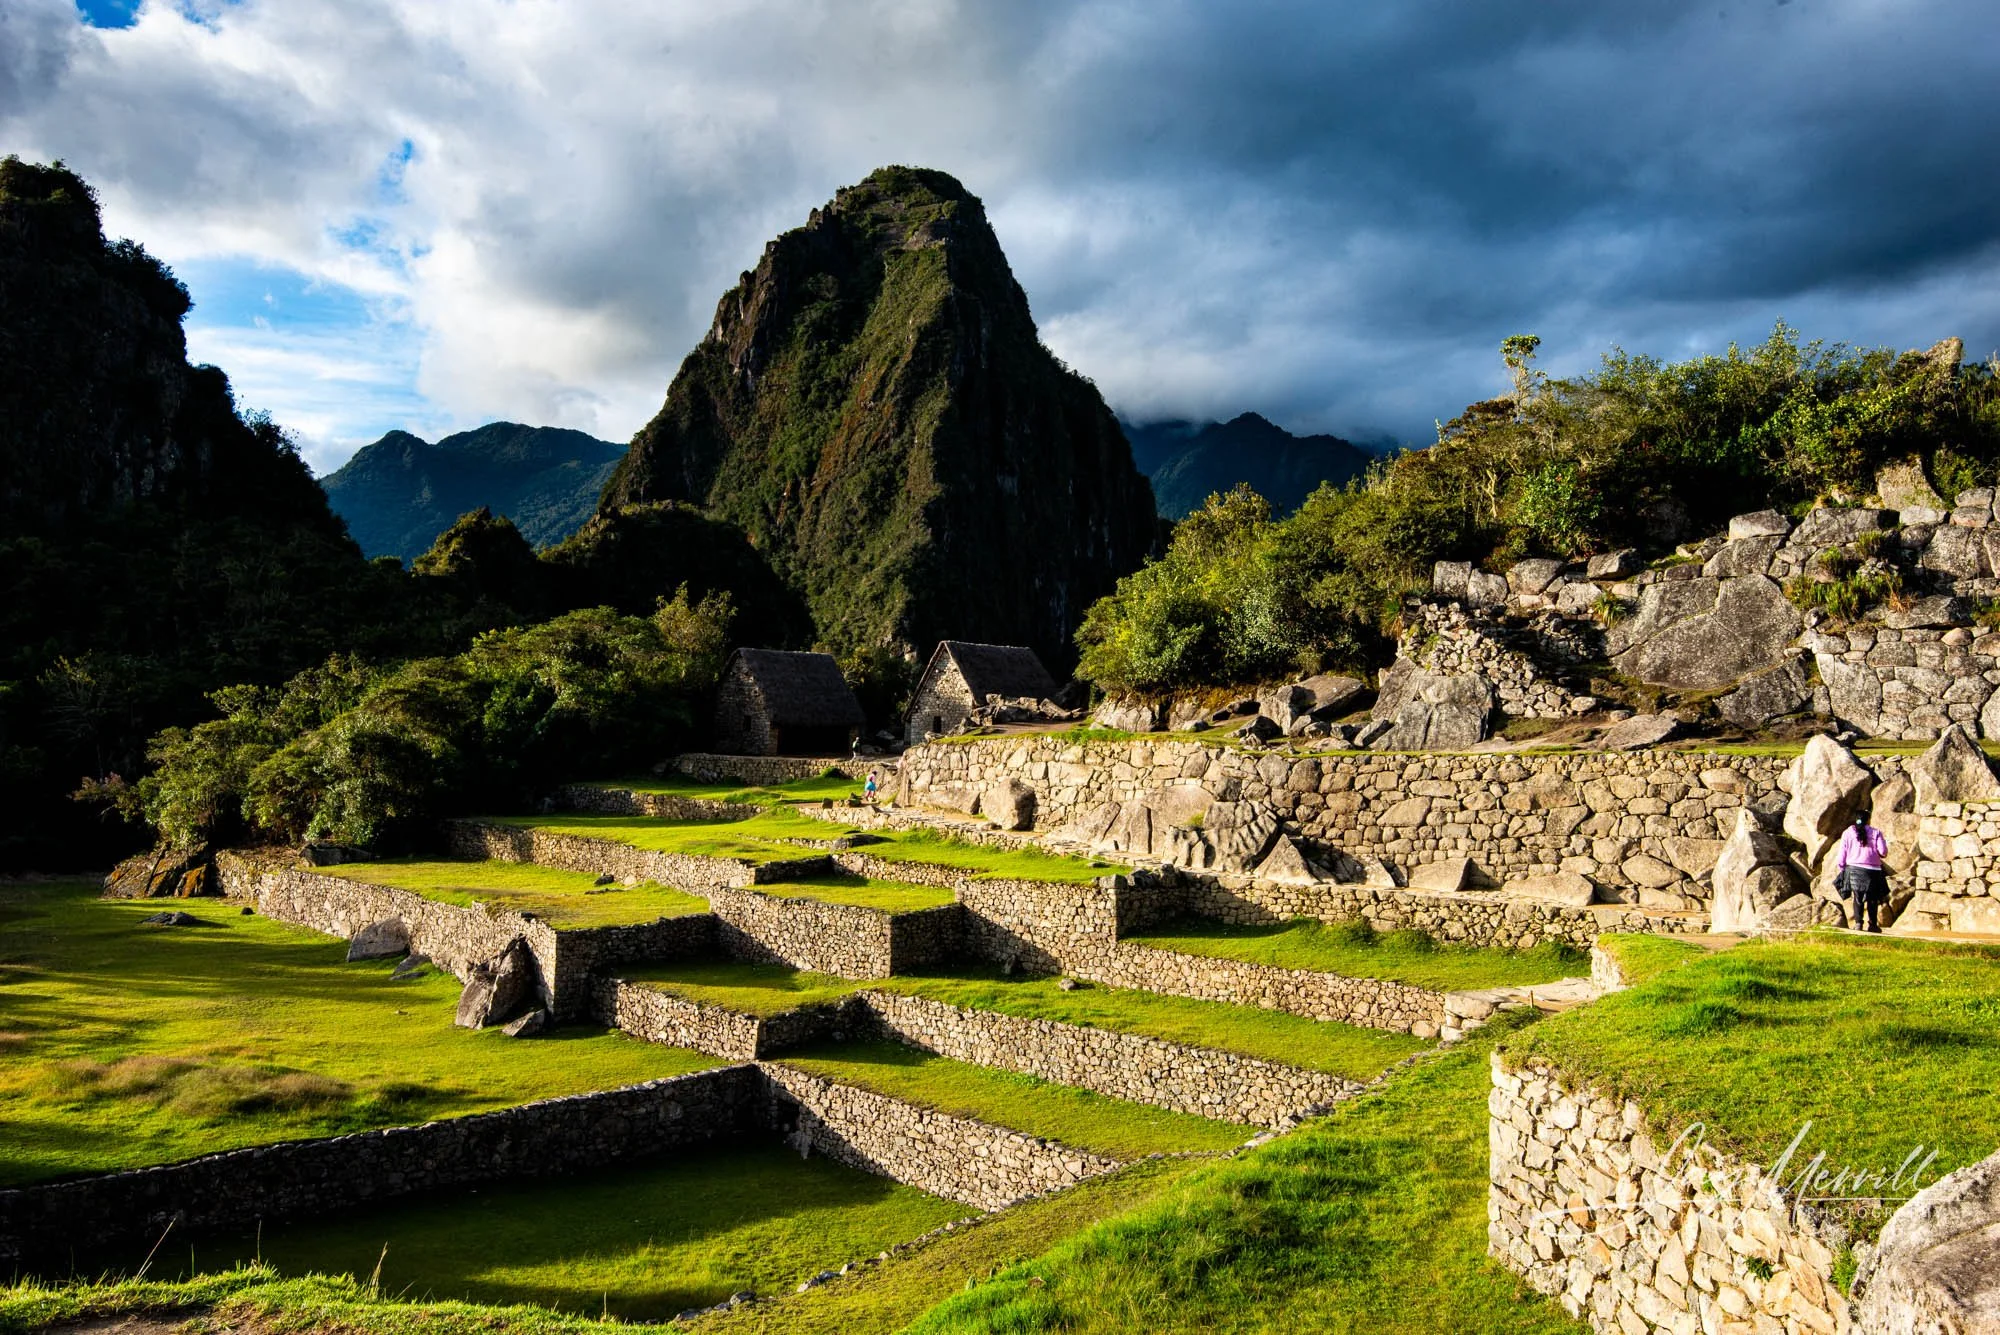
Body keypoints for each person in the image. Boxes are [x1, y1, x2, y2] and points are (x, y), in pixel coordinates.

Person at [1833, 812, 1888, 933]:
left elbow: (1842, 853)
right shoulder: (1876, 832)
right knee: (1872, 899)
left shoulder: (1847, 833)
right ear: (1868, 820)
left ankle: (1858, 924)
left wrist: (1842, 867)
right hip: (1874, 871)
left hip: (1854, 869)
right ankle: (1873, 925)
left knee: (1857, 897)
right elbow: (1883, 852)